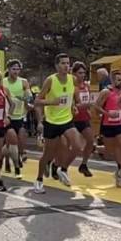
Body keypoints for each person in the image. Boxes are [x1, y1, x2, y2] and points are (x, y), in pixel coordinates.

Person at [34, 53, 86, 193]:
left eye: (68, 63)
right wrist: (51, 102)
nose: (66, 66)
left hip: (66, 120)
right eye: (63, 63)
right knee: (48, 155)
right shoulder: (50, 80)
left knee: (78, 145)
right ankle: (38, 180)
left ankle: (63, 169)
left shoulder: (73, 79)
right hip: (51, 122)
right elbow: (37, 101)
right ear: (57, 66)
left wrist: (74, 105)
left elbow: (73, 97)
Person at [95, 71, 121, 187]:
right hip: (107, 124)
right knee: (110, 151)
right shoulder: (106, 92)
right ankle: (94, 148)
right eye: (119, 80)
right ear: (112, 81)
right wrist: (107, 114)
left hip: (119, 124)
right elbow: (96, 106)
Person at [3, 59, 31, 179]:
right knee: (12, 141)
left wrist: (27, 99)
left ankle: (13, 157)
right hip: (7, 116)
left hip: (19, 115)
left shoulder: (23, 82)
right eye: (13, 69)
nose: (16, 71)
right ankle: (14, 165)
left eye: (18, 69)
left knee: (18, 139)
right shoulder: (3, 82)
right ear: (8, 69)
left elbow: (29, 97)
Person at [71, 62, 96, 177]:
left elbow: (87, 100)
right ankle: (59, 164)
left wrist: (88, 110)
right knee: (72, 146)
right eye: (79, 73)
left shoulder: (86, 86)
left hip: (84, 118)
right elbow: (75, 104)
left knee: (90, 141)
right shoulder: (71, 87)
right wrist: (86, 105)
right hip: (72, 119)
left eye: (84, 73)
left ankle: (84, 165)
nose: (82, 75)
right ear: (74, 74)